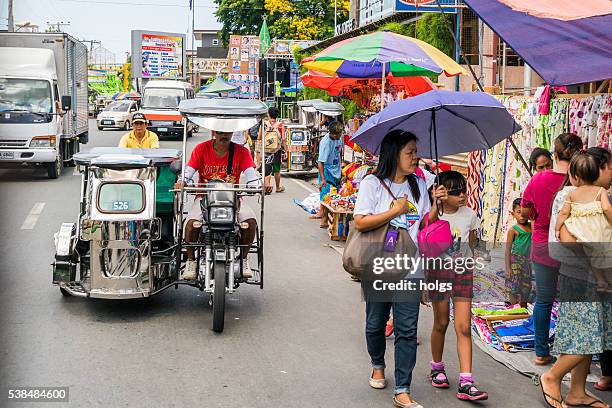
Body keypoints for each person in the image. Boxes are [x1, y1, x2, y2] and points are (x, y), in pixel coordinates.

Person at [353, 130, 447, 408]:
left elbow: (424, 225)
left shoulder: (419, 185)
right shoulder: (372, 183)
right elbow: (360, 222)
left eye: (416, 151)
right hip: (379, 263)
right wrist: (394, 212)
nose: (416, 157)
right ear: (394, 154)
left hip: (410, 264)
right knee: (375, 325)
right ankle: (377, 364)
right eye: (410, 152)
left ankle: (403, 388)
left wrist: (437, 206)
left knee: (407, 329)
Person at [540, 146, 612, 408]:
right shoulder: (570, 196)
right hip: (580, 276)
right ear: (597, 168)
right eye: (610, 167)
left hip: (595, 276)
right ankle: (552, 376)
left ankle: (577, 392)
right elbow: (567, 238)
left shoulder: (601, 195)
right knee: (586, 334)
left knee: (591, 334)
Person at [425, 170, 488, 402]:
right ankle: (437, 367)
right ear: (442, 193)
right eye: (455, 191)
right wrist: (435, 204)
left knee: (464, 327)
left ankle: (466, 381)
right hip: (438, 273)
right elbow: (426, 232)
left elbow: (472, 245)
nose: (462, 194)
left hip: (463, 274)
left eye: (464, 189)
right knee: (440, 323)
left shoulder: (470, 215)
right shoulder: (435, 215)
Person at [521, 133, 583, 366]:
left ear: (554, 155)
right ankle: (570, 354)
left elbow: (525, 213)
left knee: (544, 300)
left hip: (543, 245)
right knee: (571, 301)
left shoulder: (538, 179)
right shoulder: (582, 181)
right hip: (574, 247)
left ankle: (541, 351)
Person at [174, 129, 260, 280]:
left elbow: (251, 174)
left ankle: (243, 259)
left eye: (227, 132)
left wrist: (258, 185)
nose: (224, 136)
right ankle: (190, 261)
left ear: (232, 133)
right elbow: (188, 171)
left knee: (250, 222)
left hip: (233, 199)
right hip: (204, 198)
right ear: (214, 133)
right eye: (220, 132)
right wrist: (182, 181)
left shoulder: (241, 151)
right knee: (191, 223)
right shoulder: (201, 149)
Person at [554, 153, 612, 292]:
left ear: (576, 177)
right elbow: (606, 208)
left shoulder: (572, 194)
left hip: (580, 232)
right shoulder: (601, 191)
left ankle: (601, 281)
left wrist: (557, 228)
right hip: (599, 229)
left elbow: (563, 213)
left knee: (591, 257)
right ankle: (608, 281)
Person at [504, 197, 532, 307]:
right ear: (513, 214)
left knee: (526, 286)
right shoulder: (513, 230)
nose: (522, 215)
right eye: (518, 212)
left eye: (524, 212)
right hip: (515, 260)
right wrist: (507, 268)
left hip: (527, 261)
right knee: (513, 286)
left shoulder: (531, 226)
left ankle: (523, 308)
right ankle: (513, 307)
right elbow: (507, 249)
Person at [317, 121, 344, 229]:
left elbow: (339, 152)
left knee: (335, 197)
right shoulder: (325, 143)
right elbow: (320, 163)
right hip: (327, 171)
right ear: (332, 134)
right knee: (326, 196)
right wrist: (322, 179)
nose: (339, 136)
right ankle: (323, 220)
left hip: (336, 170)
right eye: (337, 134)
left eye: (340, 133)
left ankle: (331, 219)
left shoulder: (340, 138)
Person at [260, 107, 286, 194]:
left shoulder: (264, 124)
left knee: (267, 167)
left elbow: (259, 137)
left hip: (266, 149)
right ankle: (278, 187)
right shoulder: (280, 125)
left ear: (269, 114)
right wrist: (285, 150)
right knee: (277, 169)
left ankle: (267, 186)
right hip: (277, 150)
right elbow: (283, 139)